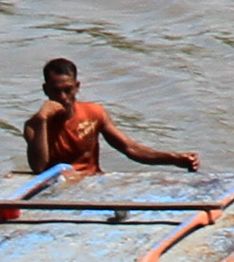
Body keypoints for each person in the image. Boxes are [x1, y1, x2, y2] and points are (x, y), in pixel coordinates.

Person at [21, 58, 199, 177]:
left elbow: (131, 149)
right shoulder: (35, 125)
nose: (63, 98)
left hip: (94, 183)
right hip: (60, 188)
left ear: (77, 87)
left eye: (68, 90)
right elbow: (39, 168)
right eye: (56, 91)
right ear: (46, 90)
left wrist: (174, 159)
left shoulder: (94, 113)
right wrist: (43, 119)